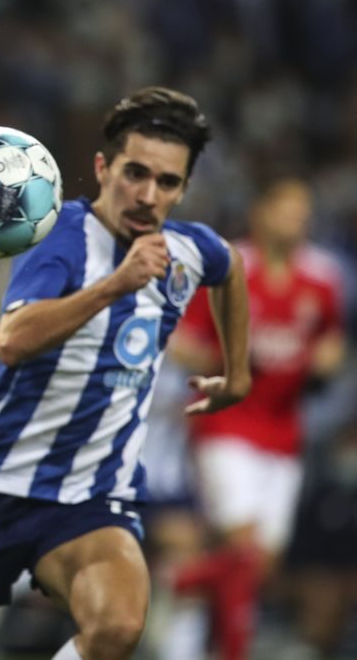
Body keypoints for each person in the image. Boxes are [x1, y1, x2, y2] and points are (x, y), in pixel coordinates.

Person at [0, 86, 252, 660]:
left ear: (182, 188)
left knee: (118, 627)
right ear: (103, 168)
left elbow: (229, 269)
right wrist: (114, 285)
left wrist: (237, 373)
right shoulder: (61, 238)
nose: (148, 195)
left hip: (91, 498)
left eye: (168, 182)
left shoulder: (187, 250)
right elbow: (12, 340)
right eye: (135, 173)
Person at [161, 178, 345, 660]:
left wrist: (328, 359)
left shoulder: (323, 278)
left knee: (260, 563)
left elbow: (331, 341)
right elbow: (184, 343)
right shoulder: (228, 269)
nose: (297, 221)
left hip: (285, 434)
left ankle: (181, 585)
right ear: (260, 212)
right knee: (242, 547)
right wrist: (227, 361)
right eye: (287, 209)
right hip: (228, 427)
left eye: (303, 211)